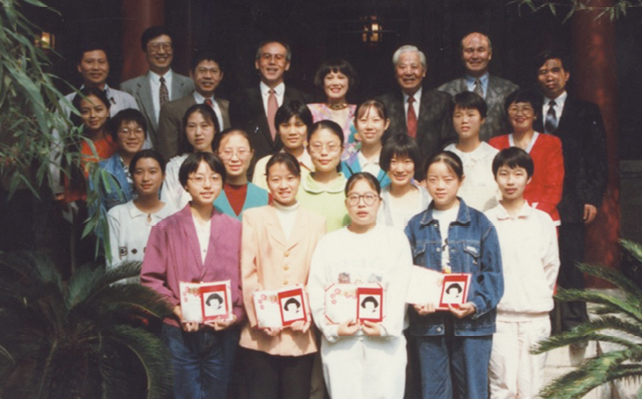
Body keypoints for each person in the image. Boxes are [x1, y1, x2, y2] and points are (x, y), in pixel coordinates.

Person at [141, 152, 244, 399]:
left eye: (214, 177)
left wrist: (235, 316)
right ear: (185, 184)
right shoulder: (165, 228)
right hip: (179, 332)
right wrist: (177, 309)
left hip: (222, 331)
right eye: (198, 178)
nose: (207, 185)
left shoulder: (236, 228)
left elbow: (245, 281)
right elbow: (150, 279)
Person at [405, 151, 503, 399]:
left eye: (448, 179)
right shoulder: (414, 226)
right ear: (424, 181)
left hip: (472, 326)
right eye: (433, 179)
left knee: (473, 392)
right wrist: (415, 301)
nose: (440, 186)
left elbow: (493, 276)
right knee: (433, 394)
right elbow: (404, 273)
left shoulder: (481, 224)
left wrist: (475, 304)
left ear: (461, 180)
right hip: (429, 326)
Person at [308, 172, 412, 399]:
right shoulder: (330, 243)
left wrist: (385, 327)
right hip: (342, 343)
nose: (361, 204)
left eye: (368, 197)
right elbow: (316, 290)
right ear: (346, 203)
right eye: (354, 197)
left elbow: (400, 288)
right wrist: (333, 329)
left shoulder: (395, 240)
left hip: (384, 344)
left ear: (379, 201)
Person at [532, 51, 607, 343]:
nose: (549, 76)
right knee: (540, 262)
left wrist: (592, 197)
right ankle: (547, 323)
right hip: (540, 201)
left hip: (574, 199)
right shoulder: (530, 110)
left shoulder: (586, 111)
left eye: (554, 70)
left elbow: (597, 158)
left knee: (572, 262)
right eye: (542, 71)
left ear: (566, 75)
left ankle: (576, 325)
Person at [240, 152, 326, 399]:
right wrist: (261, 317)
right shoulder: (253, 218)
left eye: (289, 178)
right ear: (267, 182)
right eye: (276, 179)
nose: (283, 185)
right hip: (260, 334)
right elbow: (248, 271)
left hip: (299, 333)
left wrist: (307, 314)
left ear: (299, 179)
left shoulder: (316, 222)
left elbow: (316, 276)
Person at [485, 147, 560, 398]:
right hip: (500, 318)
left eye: (517, 174)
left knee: (532, 388)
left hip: (535, 318)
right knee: (502, 387)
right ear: (495, 177)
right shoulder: (487, 222)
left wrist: (535, 295)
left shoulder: (542, 221)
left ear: (528, 178)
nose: (510, 181)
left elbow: (551, 266)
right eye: (504, 173)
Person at [50, 42, 142, 197]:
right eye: (89, 62)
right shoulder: (65, 103)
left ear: (108, 65)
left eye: (101, 62)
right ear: (79, 66)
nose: (96, 67)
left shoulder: (125, 100)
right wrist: (57, 189)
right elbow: (56, 147)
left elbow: (142, 142)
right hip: (80, 186)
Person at [489, 89, 564, 224]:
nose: (520, 114)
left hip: (543, 217)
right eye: (514, 109)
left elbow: (554, 187)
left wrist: (535, 215)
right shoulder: (496, 143)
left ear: (535, 114)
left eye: (526, 109)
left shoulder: (550, 143)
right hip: (505, 216)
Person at [230, 40, 311, 162]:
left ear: (287, 64)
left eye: (279, 57)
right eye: (266, 57)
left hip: (292, 171)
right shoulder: (240, 99)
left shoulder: (302, 99)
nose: (272, 62)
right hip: (253, 173)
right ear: (257, 63)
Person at [120, 26, 194, 149]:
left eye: (166, 46)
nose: (161, 52)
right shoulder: (129, 88)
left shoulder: (189, 85)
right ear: (145, 51)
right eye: (155, 47)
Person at [377, 45, 456, 159]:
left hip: (432, 174)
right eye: (402, 67)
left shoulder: (443, 102)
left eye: (414, 67)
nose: (408, 72)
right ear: (395, 72)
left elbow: (450, 142)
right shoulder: (383, 104)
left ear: (423, 71)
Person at [438, 32, 519, 141]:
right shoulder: (444, 92)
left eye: (481, 50)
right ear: (462, 55)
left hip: (499, 155)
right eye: (469, 51)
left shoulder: (509, 90)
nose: (475, 56)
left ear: (489, 54)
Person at [107, 149, 172, 283]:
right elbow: (113, 267)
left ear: (163, 176)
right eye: (139, 172)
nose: (146, 178)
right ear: (131, 176)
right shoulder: (117, 215)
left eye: (153, 172)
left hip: (167, 299)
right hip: (128, 297)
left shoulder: (175, 214)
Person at [156, 51, 230, 161]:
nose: (208, 76)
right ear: (191, 74)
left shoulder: (228, 107)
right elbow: (168, 156)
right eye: (202, 71)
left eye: (213, 71)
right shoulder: (172, 110)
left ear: (221, 76)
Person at [444, 91, 499, 212]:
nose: (464, 120)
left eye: (470, 114)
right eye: (458, 115)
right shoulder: (445, 156)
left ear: (482, 119)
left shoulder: (494, 156)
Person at [161, 104, 218, 213]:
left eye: (204, 126)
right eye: (191, 126)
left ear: (215, 129)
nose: (198, 133)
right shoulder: (174, 166)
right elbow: (167, 209)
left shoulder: (225, 162)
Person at [297, 120, 350, 232]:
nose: (324, 152)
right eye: (317, 146)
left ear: (342, 150)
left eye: (331, 146)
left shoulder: (351, 191)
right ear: (308, 150)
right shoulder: (297, 190)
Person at [251, 100, 315, 189]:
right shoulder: (263, 165)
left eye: (299, 125)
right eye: (285, 125)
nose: (292, 132)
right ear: (277, 130)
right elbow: (258, 200)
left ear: (308, 128)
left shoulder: (317, 164)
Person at [97, 109, 147, 212]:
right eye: (125, 131)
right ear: (115, 136)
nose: (132, 136)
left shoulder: (154, 167)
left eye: (138, 131)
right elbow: (98, 217)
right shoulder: (102, 171)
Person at [213, 129, 270, 220]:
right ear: (216, 155)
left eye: (242, 151)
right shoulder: (208, 195)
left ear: (251, 154)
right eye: (227, 152)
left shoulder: (266, 198)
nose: (234, 158)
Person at [377, 134, 431, 229]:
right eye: (393, 162)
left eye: (407, 162)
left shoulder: (429, 198)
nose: (400, 169)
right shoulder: (378, 200)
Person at [307, 59, 359, 152]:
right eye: (329, 78)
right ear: (322, 82)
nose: (335, 83)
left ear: (349, 81)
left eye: (341, 77)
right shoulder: (311, 111)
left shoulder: (359, 112)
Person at [342, 99, 391, 188]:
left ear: (386, 124)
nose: (369, 126)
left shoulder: (394, 164)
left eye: (375, 120)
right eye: (363, 120)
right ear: (355, 124)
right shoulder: (344, 165)